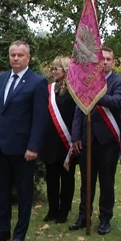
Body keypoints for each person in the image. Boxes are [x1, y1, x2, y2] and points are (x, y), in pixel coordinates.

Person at [0, 41, 48, 241]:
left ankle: (19, 234)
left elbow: (40, 118)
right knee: (1, 192)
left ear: (28, 58)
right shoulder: (1, 79)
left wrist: (33, 146)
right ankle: (2, 231)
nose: (16, 58)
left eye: (20, 55)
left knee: (23, 193)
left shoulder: (37, 82)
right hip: (1, 146)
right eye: (13, 55)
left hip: (23, 149)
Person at [70, 47, 121, 235]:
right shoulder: (87, 80)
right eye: (101, 59)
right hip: (87, 139)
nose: (104, 62)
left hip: (107, 141)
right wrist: (76, 136)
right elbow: (79, 109)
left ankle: (105, 219)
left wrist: (96, 91)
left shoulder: (120, 81)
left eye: (108, 59)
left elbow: (116, 102)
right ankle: (83, 216)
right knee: (86, 181)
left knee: (106, 182)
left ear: (114, 61)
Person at [41, 57, 77, 224]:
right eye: (53, 68)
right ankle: (52, 209)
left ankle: (64, 210)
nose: (54, 71)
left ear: (66, 70)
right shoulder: (49, 89)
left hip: (67, 141)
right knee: (52, 176)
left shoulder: (73, 90)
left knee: (67, 177)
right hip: (50, 140)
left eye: (57, 68)